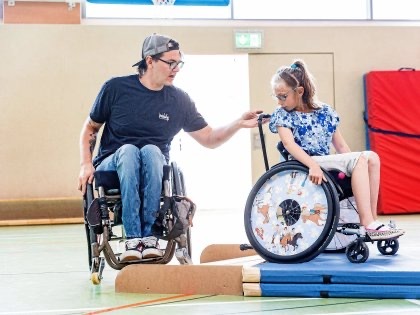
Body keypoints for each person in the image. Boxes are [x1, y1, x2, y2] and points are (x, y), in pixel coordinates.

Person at [78, 33, 263, 263]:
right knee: (129, 151)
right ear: (149, 60)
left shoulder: (178, 100)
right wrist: (86, 163)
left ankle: (149, 237)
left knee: (151, 151)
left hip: (154, 165)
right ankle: (133, 238)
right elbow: (90, 129)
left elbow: (209, 137)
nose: (176, 68)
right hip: (112, 165)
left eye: (179, 63)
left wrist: (238, 123)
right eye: (171, 63)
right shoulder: (116, 88)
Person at [268, 59, 404, 241]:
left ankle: (372, 220)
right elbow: (289, 145)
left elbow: (341, 146)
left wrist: (354, 164)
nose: (279, 101)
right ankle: (367, 222)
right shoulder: (282, 113)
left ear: (300, 91)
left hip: (324, 162)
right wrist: (313, 166)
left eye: (283, 96)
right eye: (276, 96)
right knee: (359, 160)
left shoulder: (325, 112)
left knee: (371, 157)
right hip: (302, 163)